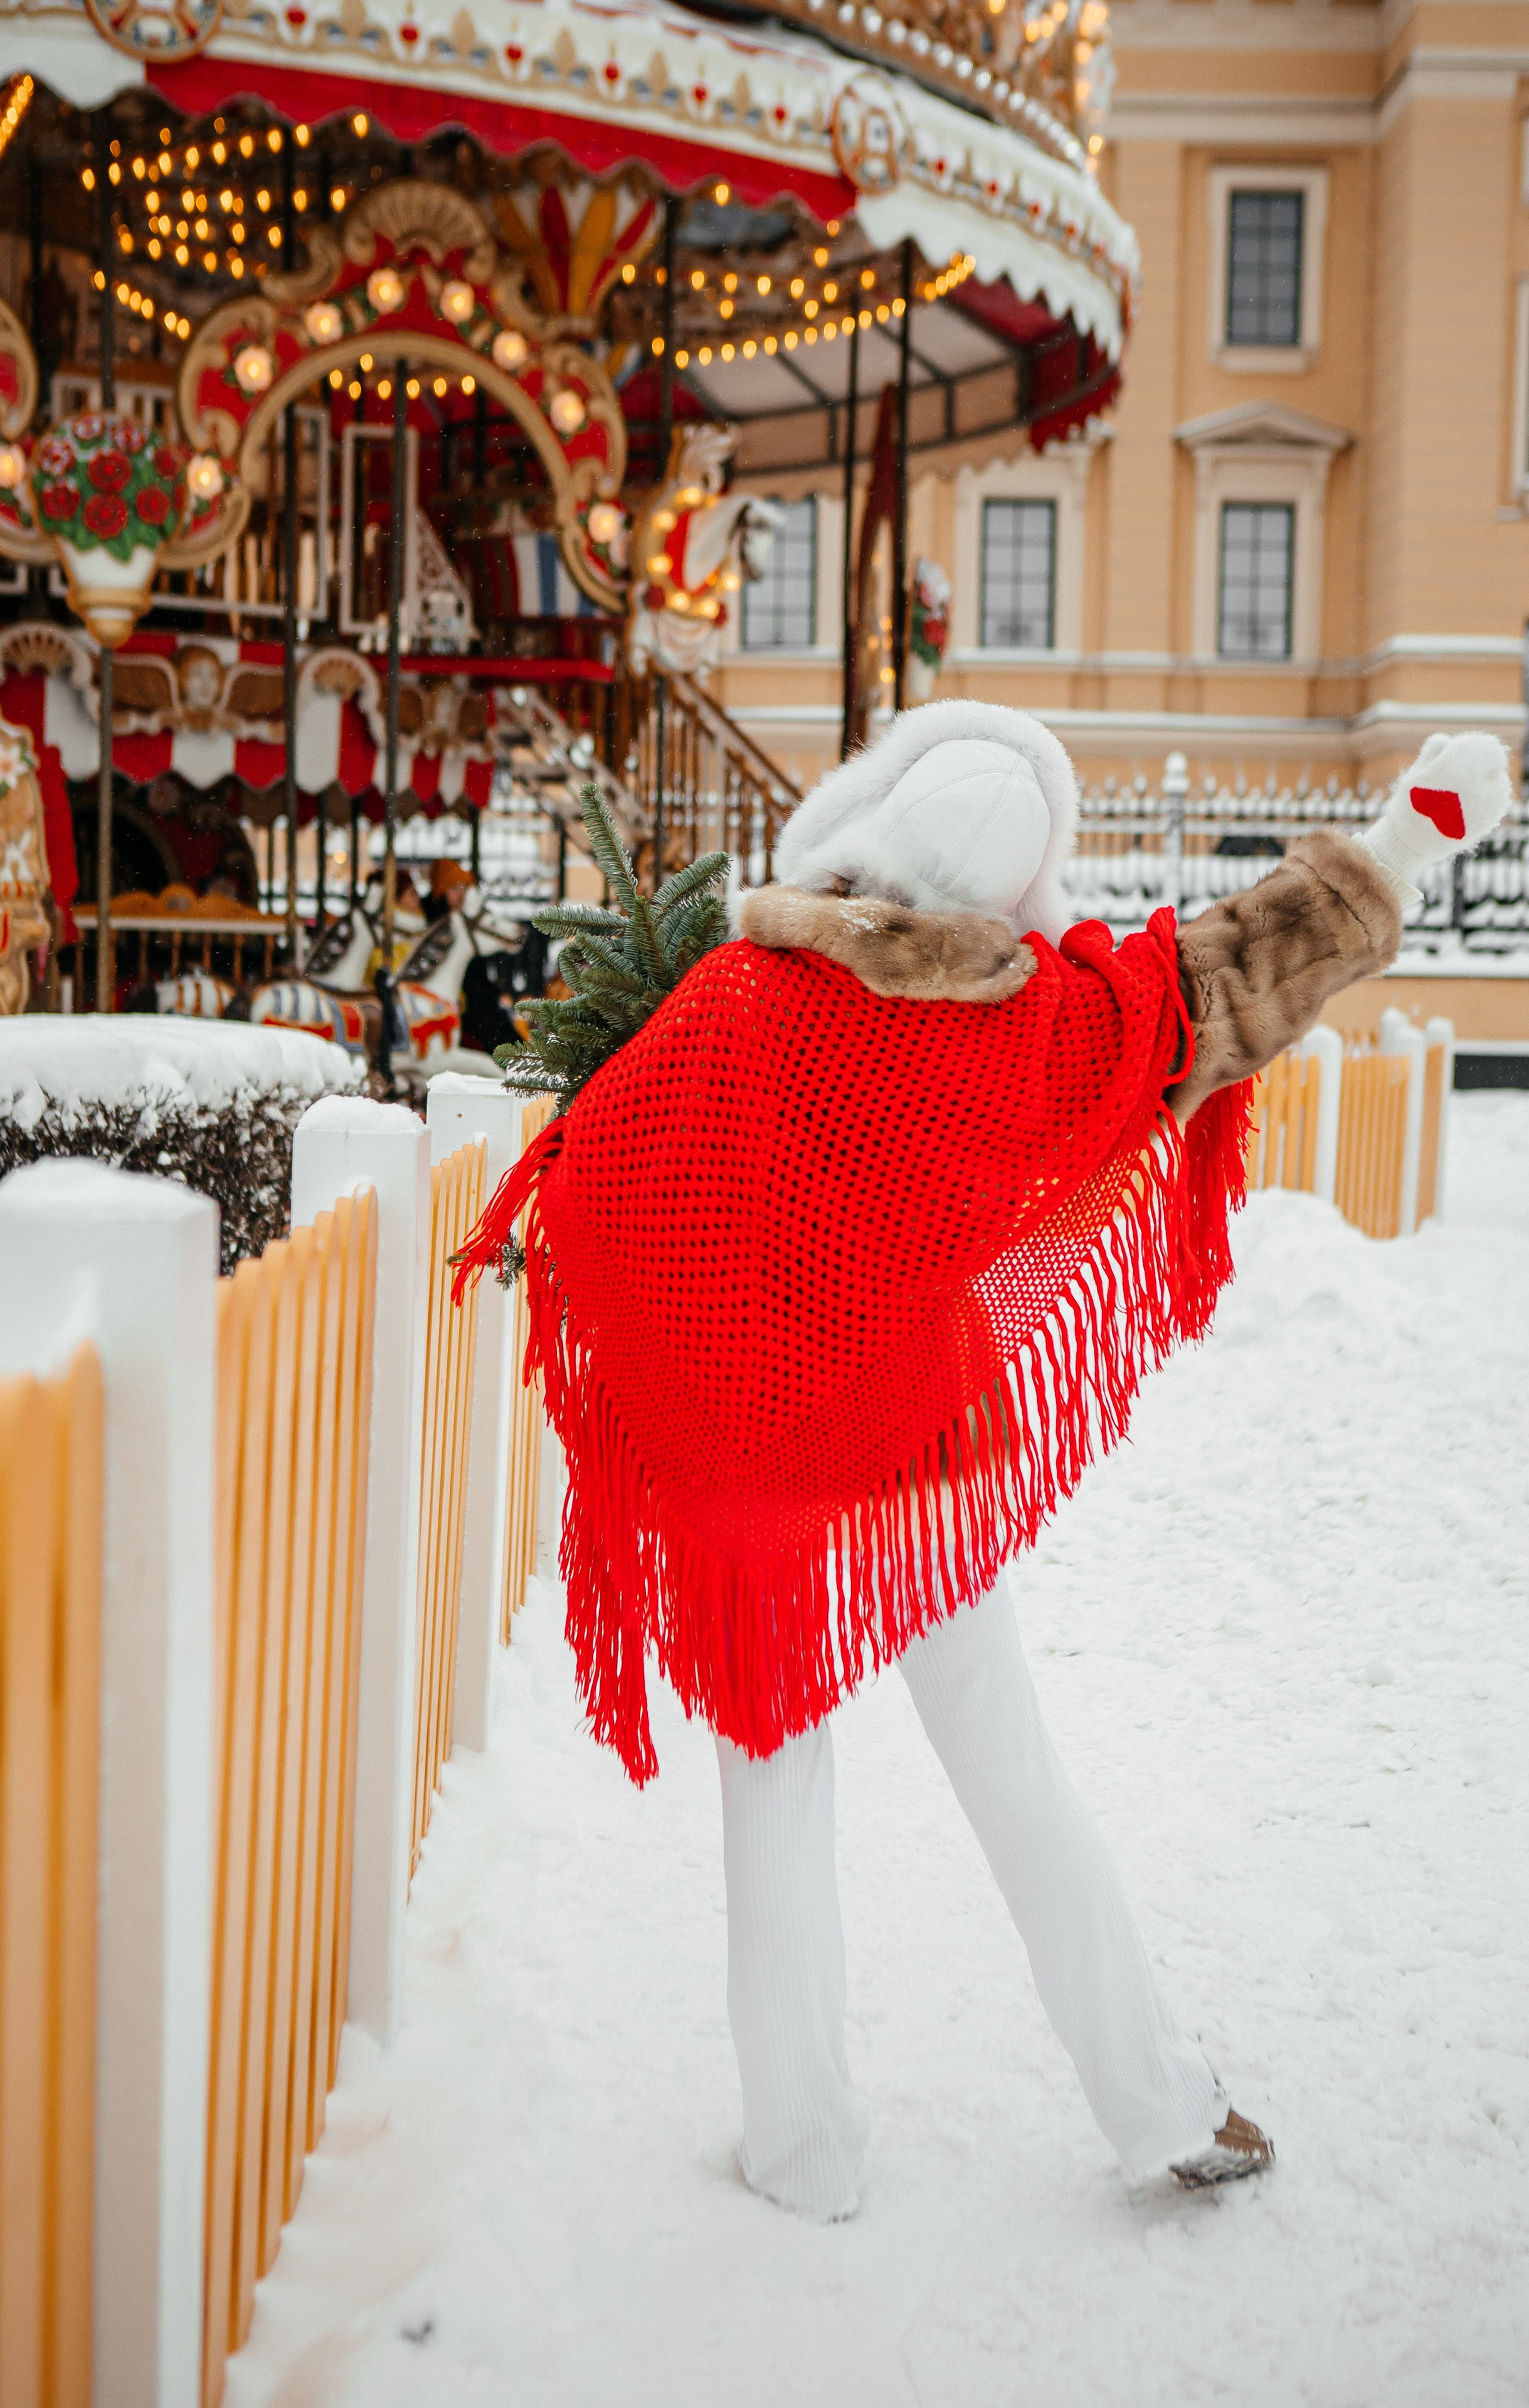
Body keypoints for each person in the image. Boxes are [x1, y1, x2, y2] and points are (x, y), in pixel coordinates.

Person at [458, 705, 1511, 2212]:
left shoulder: (730, 1001)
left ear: (855, 828)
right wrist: (1396, 844)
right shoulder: (1029, 1025)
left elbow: (595, 1172)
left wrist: (671, 1387)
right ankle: (1158, 2104)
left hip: (764, 1479)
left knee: (773, 1792)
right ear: (1016, 888)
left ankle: (801, 2152)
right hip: (926, 1457)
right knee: (1012, 1767)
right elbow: (1215, 982)